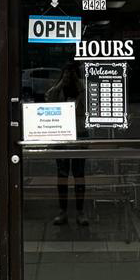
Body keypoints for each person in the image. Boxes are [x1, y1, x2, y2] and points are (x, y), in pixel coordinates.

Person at [45, 59, 87, 227]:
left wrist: (78, 84)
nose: (70, 77)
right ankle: (62, 211)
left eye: (72, 74)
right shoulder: (58, 89)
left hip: (79, 135)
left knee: (79, 175)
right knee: (62, 175)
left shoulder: (81, 88)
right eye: (66, 74)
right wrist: (62, 82)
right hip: (61, 136)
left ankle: (80, 211)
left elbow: (88, 103)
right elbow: (49, 98)